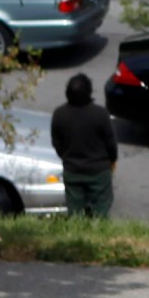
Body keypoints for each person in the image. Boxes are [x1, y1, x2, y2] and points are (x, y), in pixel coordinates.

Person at [50, 72, 118, 221]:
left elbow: (57, 143)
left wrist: (67, 157)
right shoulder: (100, 114)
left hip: (72, 170)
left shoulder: (59, 114)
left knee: (75, 212)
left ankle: (77, 238)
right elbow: (111, 144)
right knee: (101, 210)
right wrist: (112, 160)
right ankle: (98, 238)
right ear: (89, 92)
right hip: (99, 172)